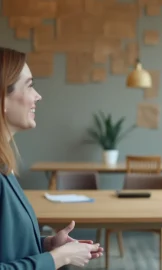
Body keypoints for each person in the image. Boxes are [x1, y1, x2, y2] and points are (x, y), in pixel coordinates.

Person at [0, 47, 104, 269]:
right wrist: (60, 258)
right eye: (29, 86)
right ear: (3, 99)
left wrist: (47, 244)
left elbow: (8, 247)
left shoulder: (4, 167)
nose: (38, 95)